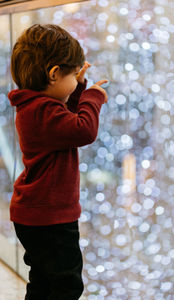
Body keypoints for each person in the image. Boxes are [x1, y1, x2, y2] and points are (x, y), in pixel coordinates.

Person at [8, 24, 108, 300]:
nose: (78, 82)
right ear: (53, 74)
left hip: (35, 215)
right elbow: (82, 130)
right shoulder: (42, 110)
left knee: (42, 281)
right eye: (74, 76)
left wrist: (77, 91)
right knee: (66, 285)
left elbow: (64, 121)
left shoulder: (34, 106)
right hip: (50, 218)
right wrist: (93, 97)